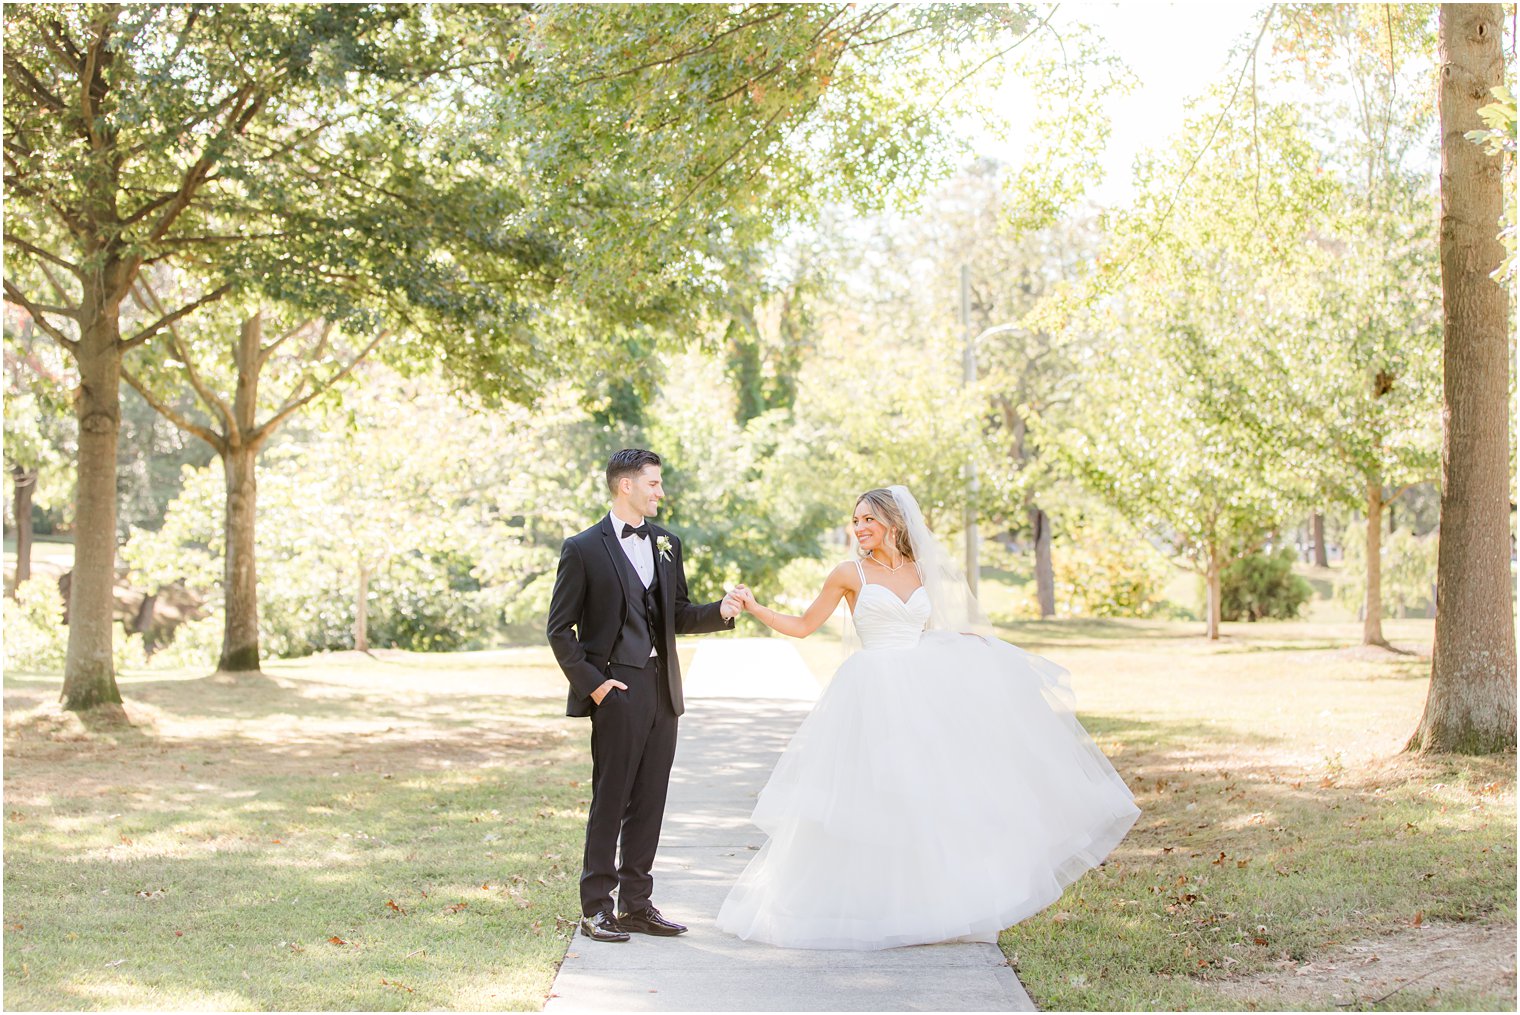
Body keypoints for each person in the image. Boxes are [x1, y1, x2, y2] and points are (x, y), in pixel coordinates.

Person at [716, 485, 1140, 950]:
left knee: (924, 794)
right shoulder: (849, 573)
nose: (859, 528)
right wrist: (754, 607)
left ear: (894, 524)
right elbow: (802, 626)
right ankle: (862, 904)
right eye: (855, 520)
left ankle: (927, 905)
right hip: (869, 691)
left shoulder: (923, 571)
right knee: (867, 796)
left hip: (919, 691)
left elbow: (929, 631)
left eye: (868, 520)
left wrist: (970, 646)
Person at [547, 449, 743, 943]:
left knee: (650, 800)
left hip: (662, 688)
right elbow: (559, 629)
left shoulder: (667, 544)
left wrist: (721, 609)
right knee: (610, 799)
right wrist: (595, 684)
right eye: (653, 484)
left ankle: (636, 904)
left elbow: (675, 615)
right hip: (616, 689)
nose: (660, 492)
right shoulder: (582, 548)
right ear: (625, 486)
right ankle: (596, 908)